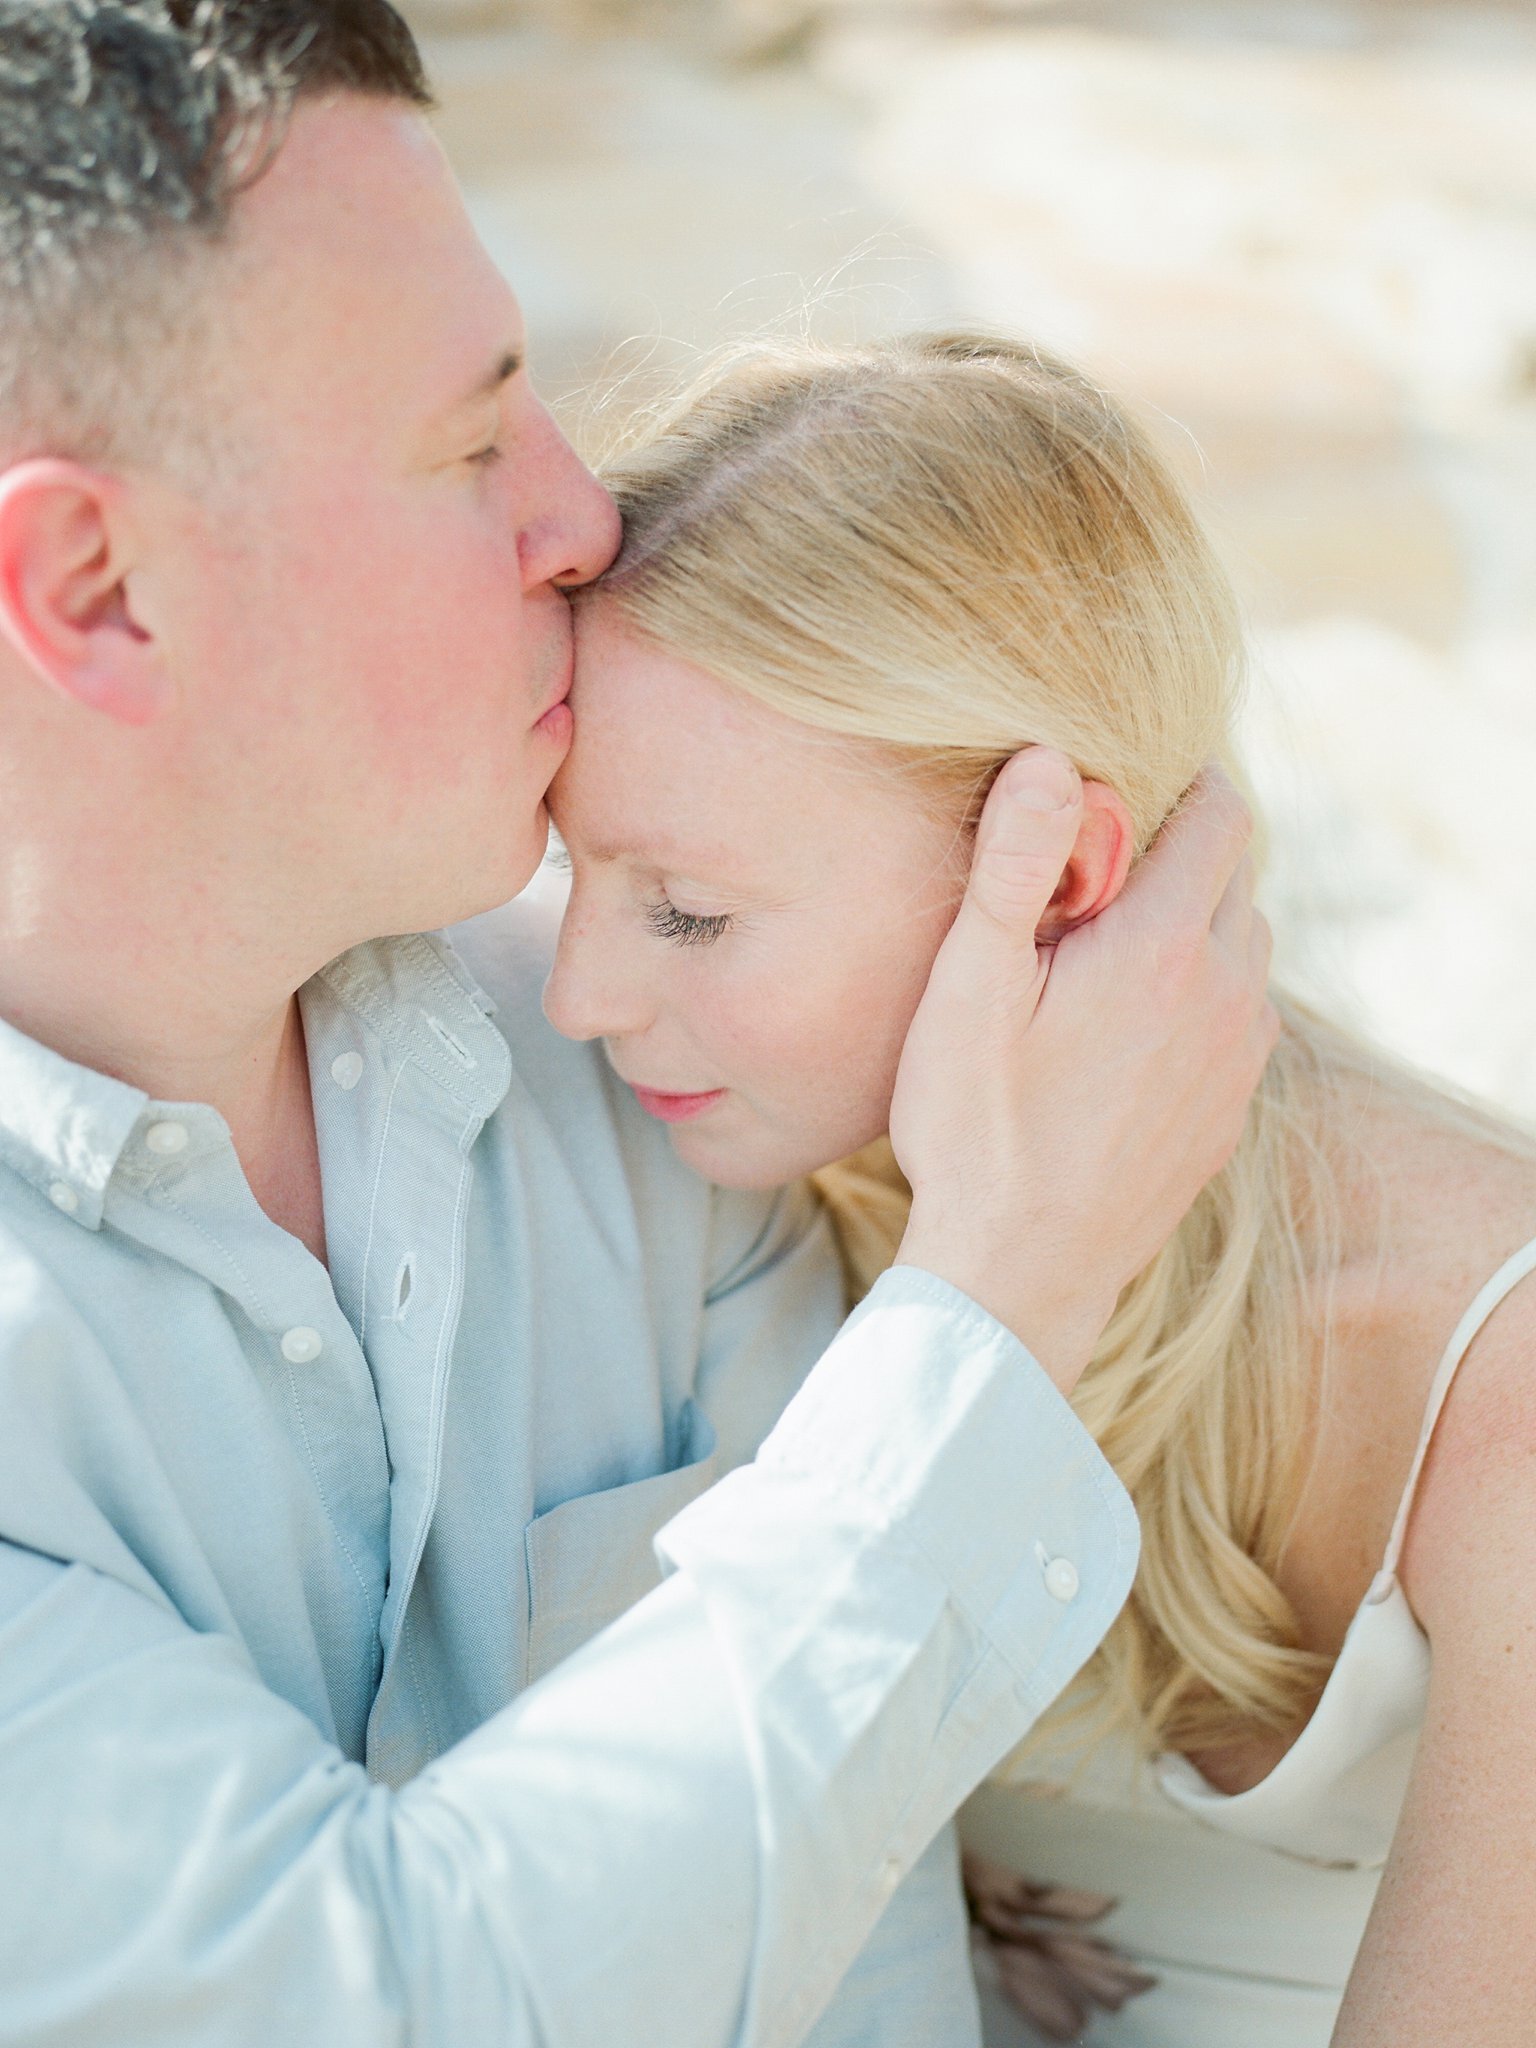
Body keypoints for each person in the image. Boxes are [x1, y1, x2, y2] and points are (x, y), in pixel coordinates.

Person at [0, 8, 1277, 2045]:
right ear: (101, 584)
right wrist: (1000, 1291)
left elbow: (849, 1971)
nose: (580, 514)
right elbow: (381, 2004)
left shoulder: (614, 1072)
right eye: (471, 439)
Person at [543, 330, 1536, 2048]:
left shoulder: (1492, 1401)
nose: (576, 994)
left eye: (688, 912)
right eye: (571, 869)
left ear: (1058, 878)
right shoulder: (734, 1195)